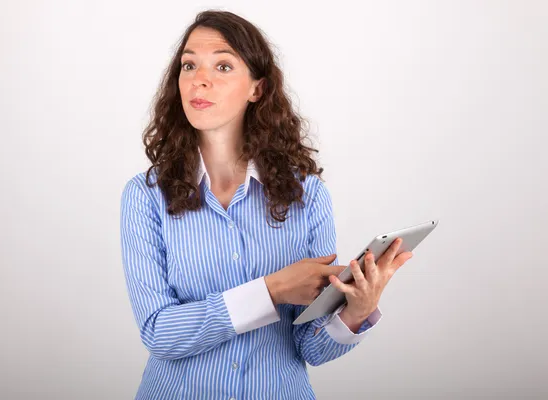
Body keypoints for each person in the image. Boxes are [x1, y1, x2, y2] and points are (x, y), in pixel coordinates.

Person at [120, 10, 413, 400]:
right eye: (188, 65)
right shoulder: (144, 196)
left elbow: (309, 346)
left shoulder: (307, 195)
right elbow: (159, 333)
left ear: (256, 89)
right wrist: (272, 291)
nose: (199, 79)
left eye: (222, 65)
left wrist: (355, 310)